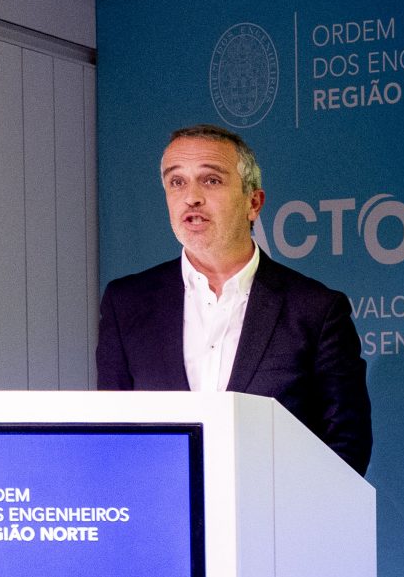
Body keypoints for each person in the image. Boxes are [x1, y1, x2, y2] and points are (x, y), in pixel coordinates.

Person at [95, 125, 372, 475]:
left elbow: (346, 446)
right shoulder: (126, 303)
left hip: (275, 509)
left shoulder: (315, 310)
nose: (191, 197)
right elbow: (111, 434)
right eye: (177, 182)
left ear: (253, 203)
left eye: (211, 180)